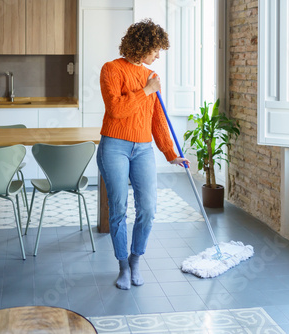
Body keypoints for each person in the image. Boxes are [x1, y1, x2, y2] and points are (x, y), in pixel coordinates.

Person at [97, 19, 189, 290]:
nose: (158, 56)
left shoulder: (151, 76)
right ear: (143, 45)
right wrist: (146, 90)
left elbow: (157, 119)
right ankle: (123, 266)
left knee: (148, 208)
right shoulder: (111, 69)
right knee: (118, 208)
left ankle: (136, 260)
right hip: (114, 146)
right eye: (156, 50)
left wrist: (170, 153)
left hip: (143, 149)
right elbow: (116, 110)